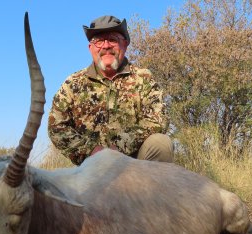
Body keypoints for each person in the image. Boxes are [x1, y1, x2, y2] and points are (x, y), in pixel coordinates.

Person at [48, 15, 174, 166]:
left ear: (125, 45)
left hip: (135, 165)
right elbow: (56, 126)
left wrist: (118, 148)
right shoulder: (72, 83)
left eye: (113, 39)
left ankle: (148, 189)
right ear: (91, 48)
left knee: (161, 143)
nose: (106, 46)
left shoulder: (143, 77)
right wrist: (91, 151)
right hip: (91, 166)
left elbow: (158, 119)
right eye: (99, 41)